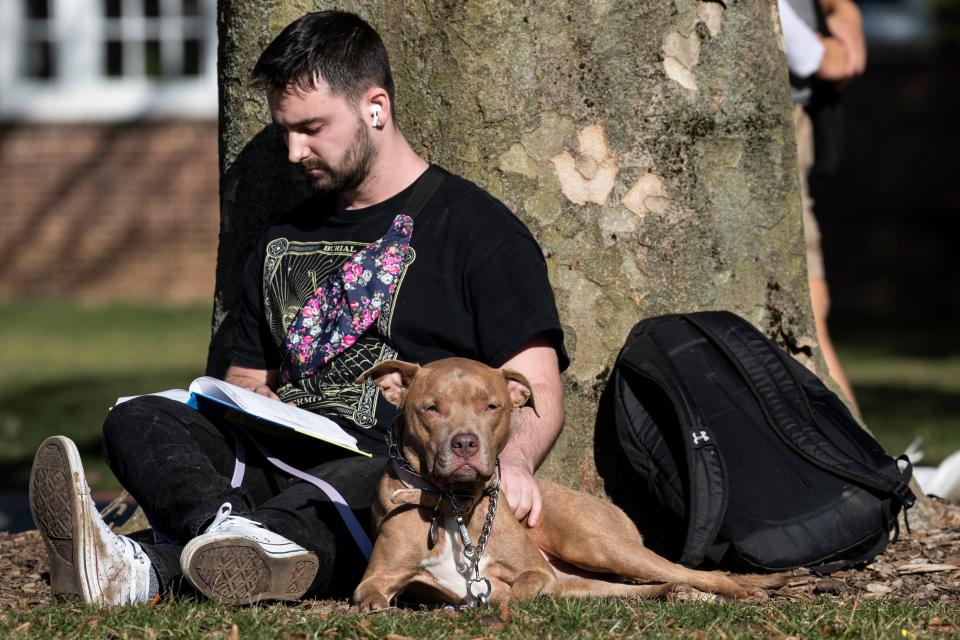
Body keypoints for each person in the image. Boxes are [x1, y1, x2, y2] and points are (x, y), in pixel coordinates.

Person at [29, 10, 568, 606]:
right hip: (266, 458)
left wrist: (514, 463)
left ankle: (143, 570)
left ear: (375, 107)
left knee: (369, 483)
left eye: (311, 127)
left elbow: (535, 382)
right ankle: (230, 536)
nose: (293, 150)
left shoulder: (477, 231)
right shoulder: (283, 236)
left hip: (387, 467)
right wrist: (249, 399)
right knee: (136, 418)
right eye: (285, 130)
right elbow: (245, 377)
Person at [778, 0, 864, 413]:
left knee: (810, 309)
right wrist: (812, 52)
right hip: (775, 105)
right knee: (807, 311)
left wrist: (840, 8)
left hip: (793, 108)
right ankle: (870, 471)